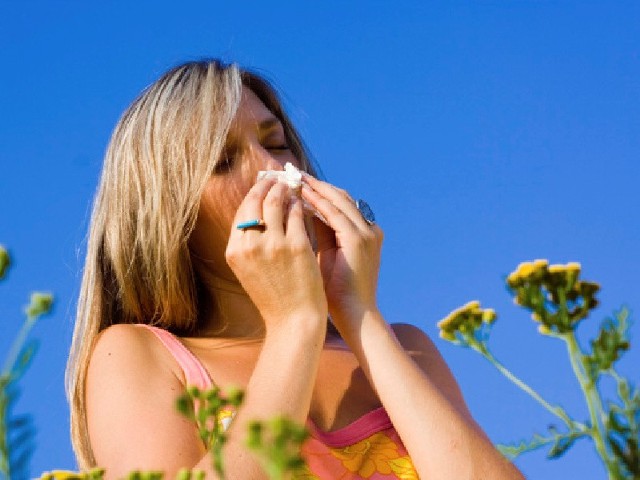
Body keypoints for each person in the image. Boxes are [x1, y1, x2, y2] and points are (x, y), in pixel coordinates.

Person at [66, 59, 524, 479]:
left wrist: (358, 313)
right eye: (223, 162)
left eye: (276, 143)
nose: (271, 169)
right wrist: (293, 325)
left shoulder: (407, 348)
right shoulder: (138, 355)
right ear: (166, 217)